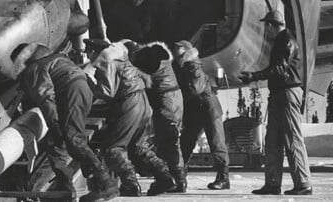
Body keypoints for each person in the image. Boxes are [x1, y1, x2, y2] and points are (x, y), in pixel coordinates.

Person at [12, 43, 118, 202]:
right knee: (56, 143)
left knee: (73, 139)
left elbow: (46, 98)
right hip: (81, 90)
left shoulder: (35, 69)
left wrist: (54, 124)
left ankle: (104, 184)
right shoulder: (58, 59)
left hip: (71, 92)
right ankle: (65, 188)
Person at [84, 38, 175, 197]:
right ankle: (164, 177)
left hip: (128, 104)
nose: (87, 55)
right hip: (143, 102)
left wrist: (87, 81)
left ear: (93, 52)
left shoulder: (107, 62)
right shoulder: (123, 61)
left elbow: (107, 92)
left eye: (88, 52)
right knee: (139, 146)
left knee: (112, 148)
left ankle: (130, 184)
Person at [239, 9, 312, 196]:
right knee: (273, 141)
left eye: (267, 26)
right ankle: (272, 184)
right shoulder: (283, 40)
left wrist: (254, 76)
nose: (266, 30)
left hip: (287, 94)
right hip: (280, 95)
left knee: (292, 139)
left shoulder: (286, 40)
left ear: (272, 25)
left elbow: (279, 69)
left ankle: (303, 183)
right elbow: (278, 68)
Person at [125, 41, 186, 192]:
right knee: (172, 140)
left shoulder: (149, 57)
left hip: (165, 100)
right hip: (174, 97)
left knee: (168, 140)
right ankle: (178, 180)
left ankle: (173, 180)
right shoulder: (158, 53)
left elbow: (146, 70)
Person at [172, 40, 229, 190]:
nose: (174, 51)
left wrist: (176, 94)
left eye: (177, 49)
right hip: (196, 110)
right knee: (186, 142)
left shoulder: (193, 67)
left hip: (209, 109)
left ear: (185, 51)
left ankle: (224, 178)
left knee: (216, 144)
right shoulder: (185, 67)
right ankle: (180, 176)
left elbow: (194, 89)